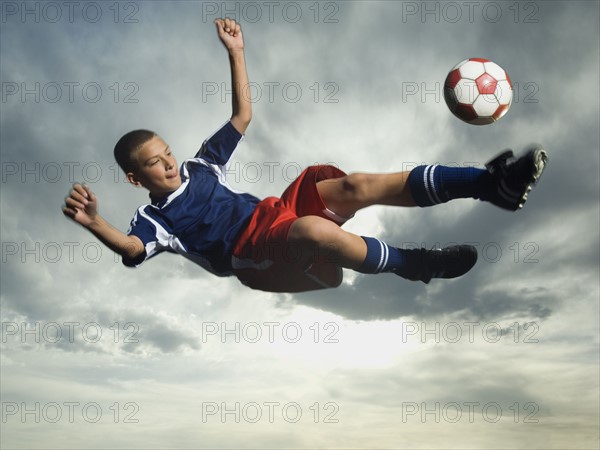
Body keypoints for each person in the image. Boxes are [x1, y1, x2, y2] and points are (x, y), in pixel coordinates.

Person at [62, 18, 548, 293]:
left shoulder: (198, 167)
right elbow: (132, 250)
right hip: (252, 255)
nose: (168, 163)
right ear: (135, 178)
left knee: (353, 185)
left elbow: (242, 117)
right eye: (154, 163)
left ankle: (489, 184)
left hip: (276, 214)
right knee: (315, 230)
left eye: (166, 152)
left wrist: (236, 52)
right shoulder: (152, 218)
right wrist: (94, 223)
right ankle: (413, 263)